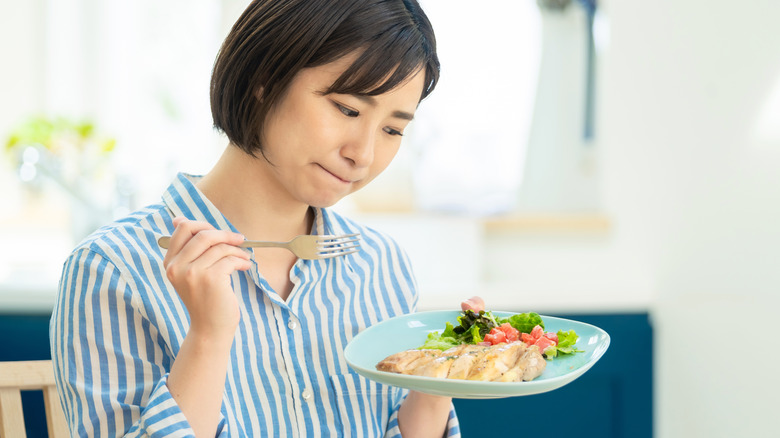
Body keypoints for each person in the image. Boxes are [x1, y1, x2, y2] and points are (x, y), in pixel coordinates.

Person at [50, 1, 485, 436]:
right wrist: (208, 337)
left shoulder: (380, 265)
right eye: (348, 109)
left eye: (392, 130)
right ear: (265, 80)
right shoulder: (112, 269)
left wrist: (435, 381)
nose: (363, 154)